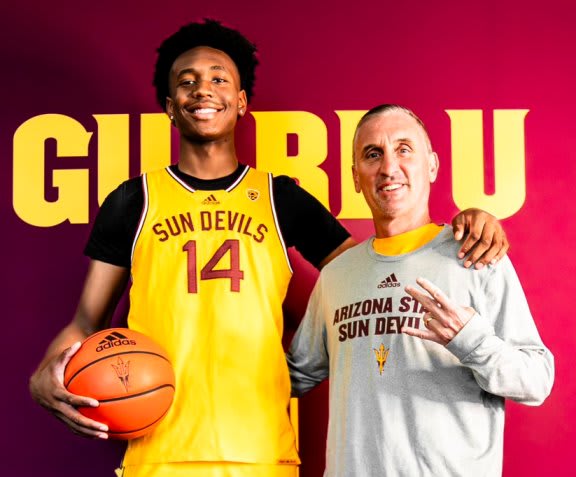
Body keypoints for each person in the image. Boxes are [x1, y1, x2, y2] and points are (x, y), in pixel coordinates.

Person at [29, 20, 508, 477]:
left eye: (219, 78)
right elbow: (86, 322)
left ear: (240, 103)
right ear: (170, 106)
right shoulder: (132, 200)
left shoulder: (282, 198)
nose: (203, 89)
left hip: (262, 450)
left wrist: (464, 224)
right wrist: (42, 382)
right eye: (187, 80)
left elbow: (374, 272)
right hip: (158, 449)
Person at [287, 104, 554, 476]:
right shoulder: (337, 276)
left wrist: (471, 341)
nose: (388, 167)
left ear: (432, 165)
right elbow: (289, 378)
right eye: (372, 154)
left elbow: (536, 380)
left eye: (404, 149)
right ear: (355, 177)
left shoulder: (475, 254)